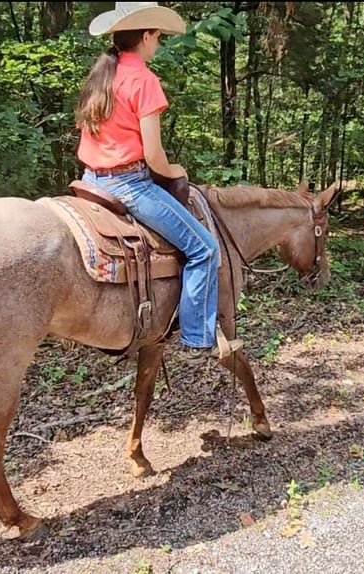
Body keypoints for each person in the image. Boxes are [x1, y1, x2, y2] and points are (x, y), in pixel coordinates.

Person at [75, 2, 242, 364]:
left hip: (91, 180)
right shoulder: (144, 80)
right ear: (146, 35)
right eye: (158, 38)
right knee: (205, 248)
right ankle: (197, 338)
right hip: (127, 185)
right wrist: (175, 171)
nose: (159, 44)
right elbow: (153, 156)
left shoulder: (102, 74)